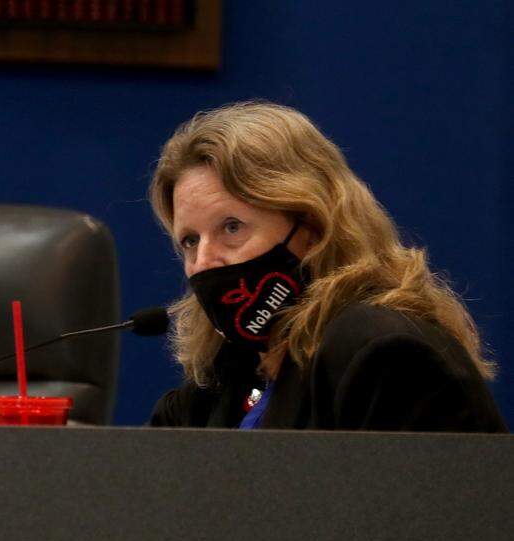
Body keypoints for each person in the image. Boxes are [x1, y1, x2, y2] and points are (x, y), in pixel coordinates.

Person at [147, 102, 506, 432]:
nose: (204, 262)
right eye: (190, 241)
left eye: (232, 227)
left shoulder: (382, 352)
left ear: (313, 226)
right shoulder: (223, 383)